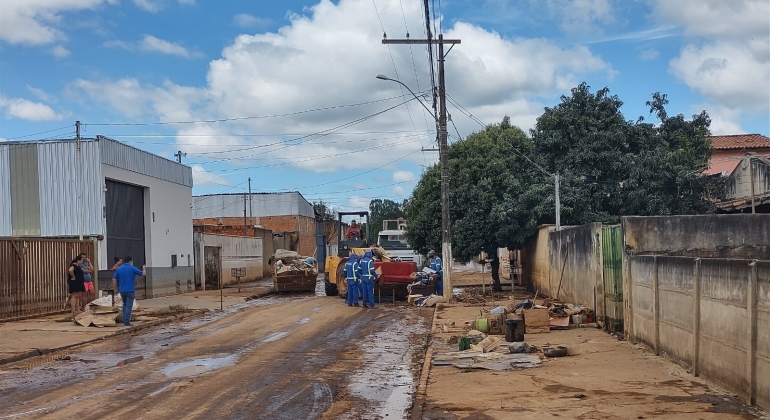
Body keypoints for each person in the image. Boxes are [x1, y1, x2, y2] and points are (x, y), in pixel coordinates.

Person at [112, 256, 146, 327]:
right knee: (128, 306)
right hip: (130, 290)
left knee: (124, 304)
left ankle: (124, 319)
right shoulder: (132, 268)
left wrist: (115, 289)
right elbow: (143, 274)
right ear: (130, 261)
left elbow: (114, 279)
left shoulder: (119, 269)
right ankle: (126, 322)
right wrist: (144, 268)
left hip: (122, 290)